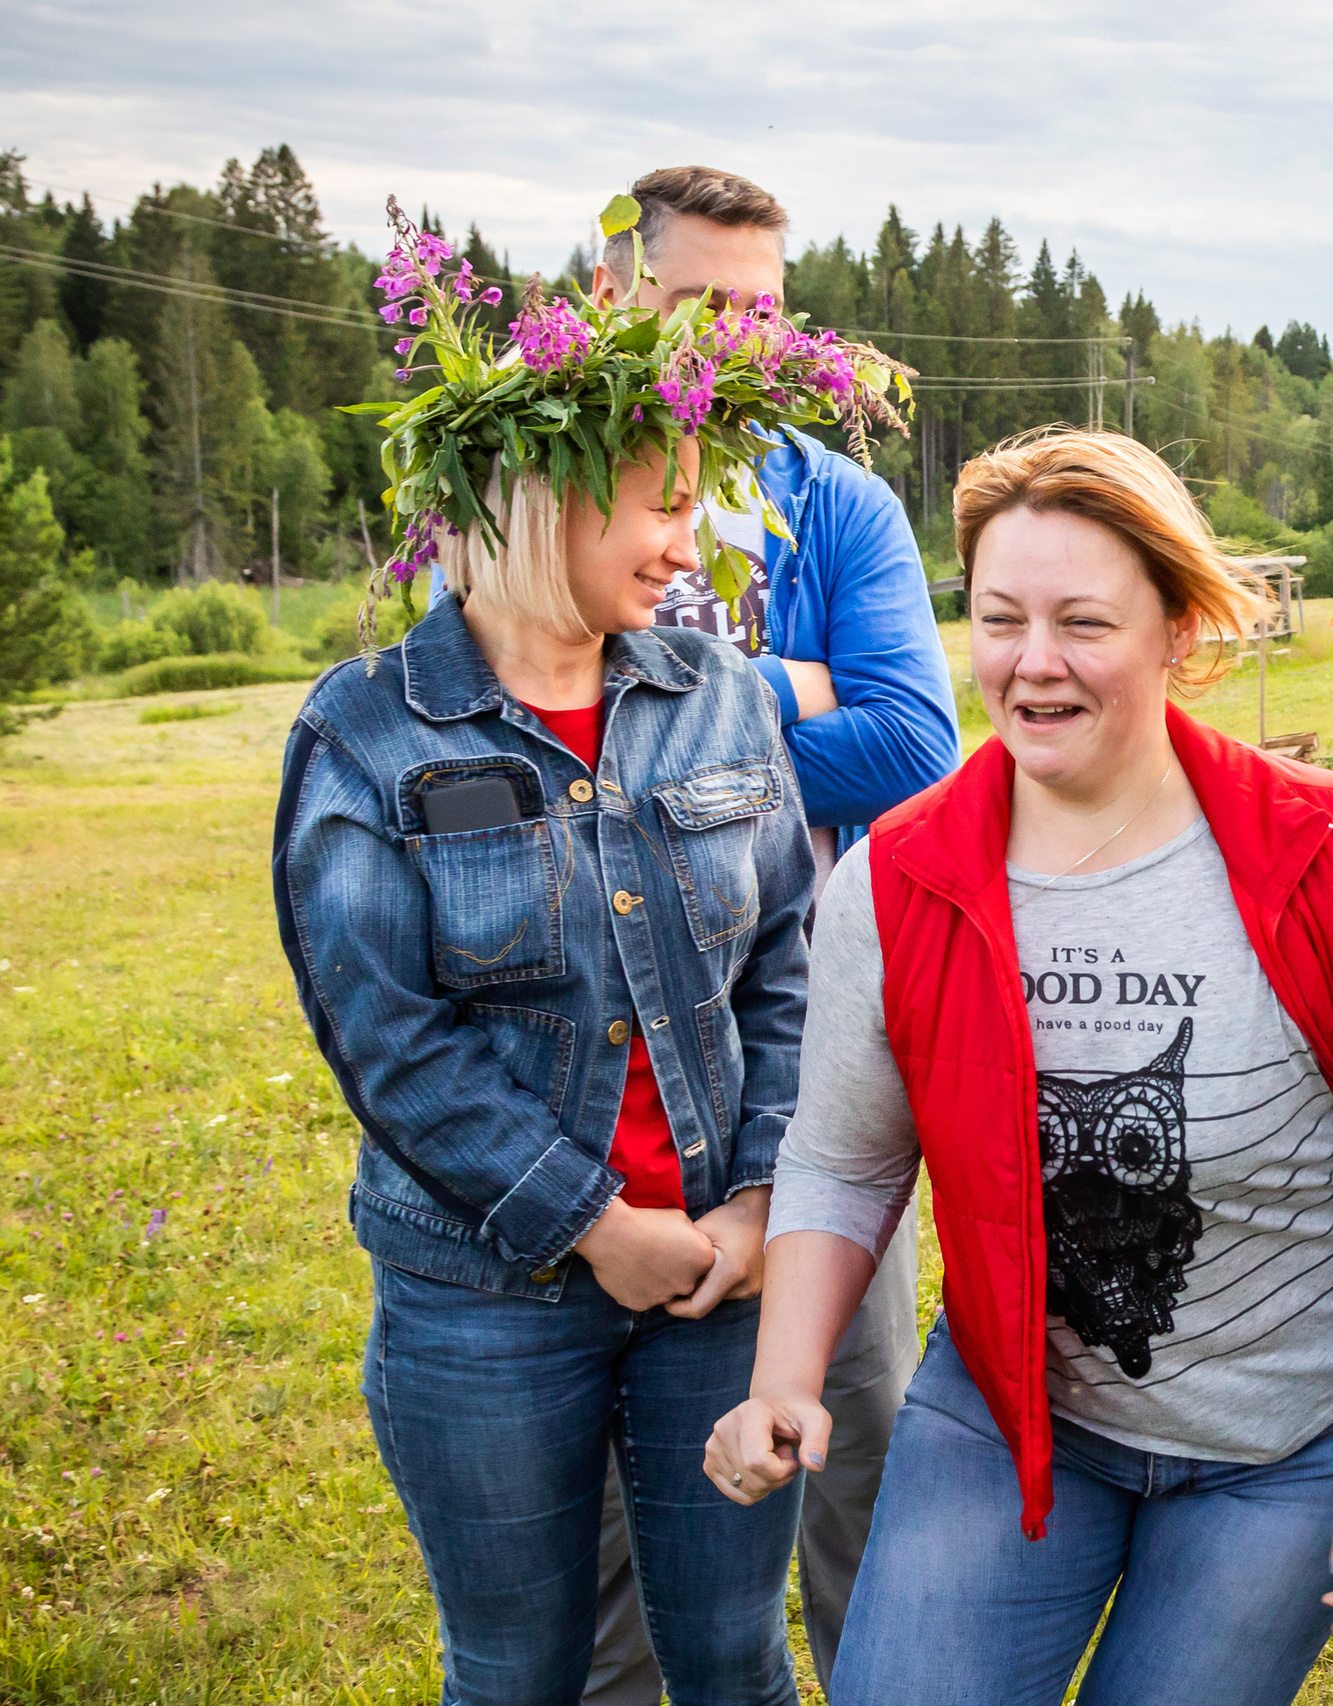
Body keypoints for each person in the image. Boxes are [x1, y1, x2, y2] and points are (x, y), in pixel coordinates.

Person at [704, 428, 1333, 1706]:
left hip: (1292, 1436)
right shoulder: (894, 879)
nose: (1033, 663)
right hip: (1019, 1402)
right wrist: (784, 1379)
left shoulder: (1320, 847)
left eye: (1083, 621)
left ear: (1176, 634)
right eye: (999, 617)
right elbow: (843, 1154)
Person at [272, 202, 904, 1704]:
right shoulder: (365, 733)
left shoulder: (722, 696)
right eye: (658, 505)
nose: (692, 547)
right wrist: (592, 1222)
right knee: (519, 1664)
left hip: (714, 1280)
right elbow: (387, 1041)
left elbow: (782, 972)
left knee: (732, 1658)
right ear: (530, 500)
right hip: (482, 1302)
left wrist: (755, 1195)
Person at [578, 164, 961, 1706]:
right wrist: (792, 687)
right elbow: (520, 743)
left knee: (857, 1429)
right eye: (704, 304)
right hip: (591, 1053)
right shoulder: (549, 487)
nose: (745, 341)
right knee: (606, 1498)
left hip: (817, 1028)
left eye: (768, 308)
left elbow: (918, 741)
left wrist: (673, 735)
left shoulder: (833, 498)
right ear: (615, 296)